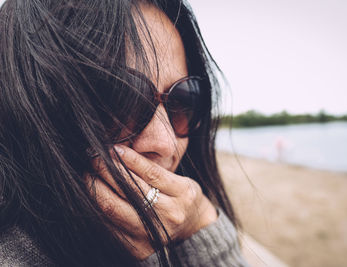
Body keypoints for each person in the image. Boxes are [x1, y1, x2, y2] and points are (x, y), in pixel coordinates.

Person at [0, 0, 249, 266]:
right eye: (118, 101)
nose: (166, 144)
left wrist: (199, 224)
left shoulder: (189, 219)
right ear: (28, 106)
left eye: (182, 101)